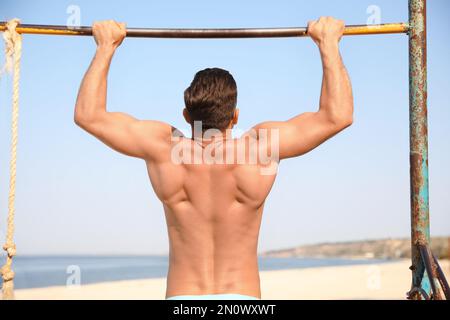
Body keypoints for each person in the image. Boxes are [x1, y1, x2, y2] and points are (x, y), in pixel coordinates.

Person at [74, 16, 353, 300]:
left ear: (186, 116)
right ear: (235, 115)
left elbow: (89, 115)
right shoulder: (260, 148)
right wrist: (327, 43)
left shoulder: (162, 148)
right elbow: (337, 115)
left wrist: (106, 46)